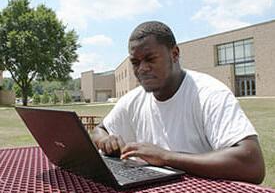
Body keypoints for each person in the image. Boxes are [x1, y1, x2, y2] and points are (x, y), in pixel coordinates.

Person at [92, 21, 265, 184]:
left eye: (150, 59)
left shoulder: (209, 93)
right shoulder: (133, 100)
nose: (142, 68)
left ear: (174, 54)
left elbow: (252, 163)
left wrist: (166, 157)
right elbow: (99, 130)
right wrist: (106, 140)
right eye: (135, 63)